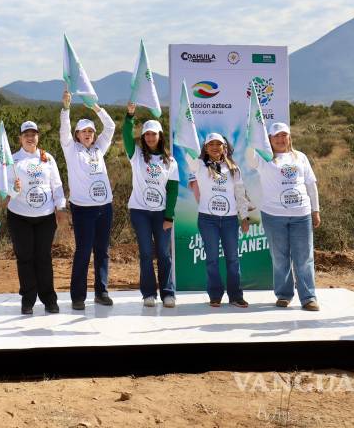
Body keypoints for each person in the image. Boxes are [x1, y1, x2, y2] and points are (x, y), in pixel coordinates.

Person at [247, 122, 321, 311]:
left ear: (289, 137)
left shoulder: (300, 157)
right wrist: (252, 135)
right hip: (273, 215)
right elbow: (249, 159)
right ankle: (284, 295)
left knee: (304, 257)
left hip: (301, 215)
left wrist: (315, 210)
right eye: (276, 136)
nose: (281, 139)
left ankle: (308, 297)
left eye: (284, 135)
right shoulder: (263, 158)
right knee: (280, 258)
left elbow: (311, 185)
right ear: (269, 140)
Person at [59, 89, 116, 310]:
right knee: (83, 251)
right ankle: (78, 297)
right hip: (83, 209)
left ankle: (101, 292)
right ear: (77, 134)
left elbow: (110, 127)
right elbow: (63, 131)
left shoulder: (99, 149)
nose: (88, 134)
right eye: (83, 131)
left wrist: (97, 108)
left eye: (91, 131)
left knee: (102, 251)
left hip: (105, 208)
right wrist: (66, 108)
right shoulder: (71, 150)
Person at [186, 133, 252, 308]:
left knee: (233, 259)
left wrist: (244, 217)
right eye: (211, 144)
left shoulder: (234, 169)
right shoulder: (199, 165)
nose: (215, 147)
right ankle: (215, 295)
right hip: (208, 220)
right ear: (206, 148)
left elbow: (240, 193)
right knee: (212, 259)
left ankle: (236, 296)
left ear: (225, 147)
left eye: (218, 144)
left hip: (230, 220)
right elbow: (188, 152)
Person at [7, 120, 66, 314]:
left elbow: (56, 184)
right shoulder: (12, 160)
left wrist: (61, 207)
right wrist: (11, 188)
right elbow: (3, 191)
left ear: (38, 137)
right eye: (26, 135)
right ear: (20, 138)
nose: (30, 138)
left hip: (46, 216)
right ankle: (28, 300)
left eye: (33, 134)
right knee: (25, 258)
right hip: (19, 216)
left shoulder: (47, 158)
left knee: (43, 257)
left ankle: (49, 299)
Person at [123, 104, 179, 308]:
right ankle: (148, 293)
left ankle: (167, 293)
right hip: (140, 212)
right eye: (146, 134)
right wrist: (129, 116)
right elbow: (126, 137)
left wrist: (169, 216)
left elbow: (172, 190)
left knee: (164, 254)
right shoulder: (136, 155)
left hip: (162, 214)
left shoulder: (170, 162)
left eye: (153, 134)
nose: (149, 138)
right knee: (146, 252)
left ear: (160, 136)